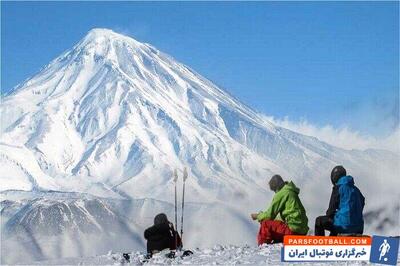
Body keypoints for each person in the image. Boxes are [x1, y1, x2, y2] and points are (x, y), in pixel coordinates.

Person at [251, 175, 309, 245]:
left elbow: (269, 215)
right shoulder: (290, 190)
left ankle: (261, 249)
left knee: (265, 224)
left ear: (275, 187)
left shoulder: (282, 193)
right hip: (302, 231)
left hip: (293, 231)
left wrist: (258, 216)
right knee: (275, 223)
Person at [314, 165, 365, 236]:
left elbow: (330, 212)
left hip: (343, 226)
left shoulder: (338, 188)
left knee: (319, 221)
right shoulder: (356, 190)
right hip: (359, 228)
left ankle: (319, 245)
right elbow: (362, 202)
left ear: (334, 177)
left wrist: (335, 214)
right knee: (336, 223)